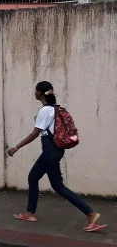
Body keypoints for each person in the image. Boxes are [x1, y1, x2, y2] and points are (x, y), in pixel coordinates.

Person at [7, 81, 105, 232]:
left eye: (35, 90)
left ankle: (91, 213)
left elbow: (35, 133)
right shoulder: (54, 109)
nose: (34, 92)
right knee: (33, 177)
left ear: (39, 92)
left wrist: (16, 147)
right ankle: (30, 213)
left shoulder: (45, 110)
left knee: (57, 186)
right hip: (54, 150)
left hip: (51, 151)